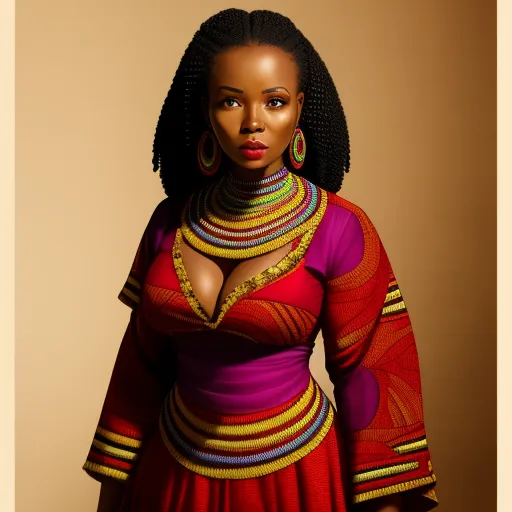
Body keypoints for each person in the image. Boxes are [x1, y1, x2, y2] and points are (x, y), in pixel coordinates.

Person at [82, 8, 438, 512]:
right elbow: (137, 371)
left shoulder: (340, 226)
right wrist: (111, 496)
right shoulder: (169, 220)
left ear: (299, 110)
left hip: (298, 479)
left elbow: (372, 376)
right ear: (206, 110)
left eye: (274, 102)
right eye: (231, 101)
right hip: (169, 477)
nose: (253, 123)